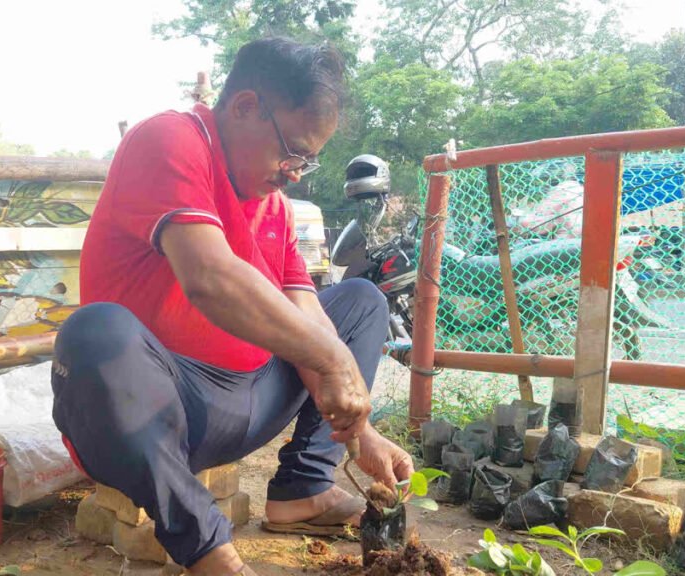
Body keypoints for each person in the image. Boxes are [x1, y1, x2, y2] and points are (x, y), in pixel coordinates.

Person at [52, 37, 414, 576]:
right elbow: (209, 278)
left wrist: (360, 431)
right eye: (292, 150)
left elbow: (304, 311)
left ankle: (303, 490)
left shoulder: (273, 204)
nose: (296, 170)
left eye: (308, 160)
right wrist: (334, 362)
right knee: (93, 332)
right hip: (156, 415)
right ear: (245, 107)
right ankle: (209, 552)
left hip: (247, 400)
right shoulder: (171, 140)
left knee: (359, 301)